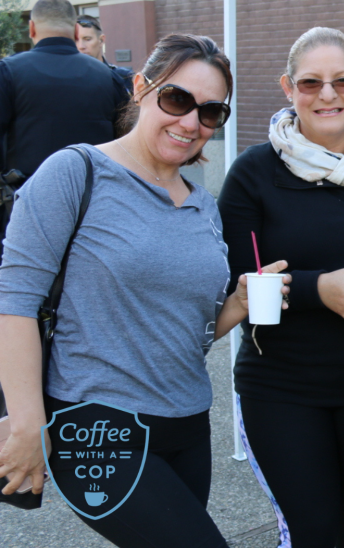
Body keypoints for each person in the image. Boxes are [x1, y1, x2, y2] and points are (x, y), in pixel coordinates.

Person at [0, 34, 278, 548]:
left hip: (188, 423)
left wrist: (236, 305)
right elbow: (12, 300)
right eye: (177, 99)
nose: (191, 122)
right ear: (139, 88)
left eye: (211, 111)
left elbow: (185, 336)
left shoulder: (202, 205)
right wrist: (26, 425)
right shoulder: (76, 172)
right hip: (96, 423)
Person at [218, 27, 344, 548]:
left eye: (342, 82)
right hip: (282, 388)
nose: (328, 95)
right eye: (311, 83)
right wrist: (320, 290)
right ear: (287, 88)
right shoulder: (252, 175)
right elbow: (239, 281)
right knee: (314, 532)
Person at [0, 0, 128, 259]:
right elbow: (128, 144)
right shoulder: (108, 78)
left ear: (32, 29)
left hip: (25, 211)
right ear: (75, 31)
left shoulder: (8, 73)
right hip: (95, 213)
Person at [76, 14, 135, 94]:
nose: (81, 46)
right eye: (75, 40)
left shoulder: (124, 77)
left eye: (87, 39)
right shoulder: (65, 79)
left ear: (101, 40)